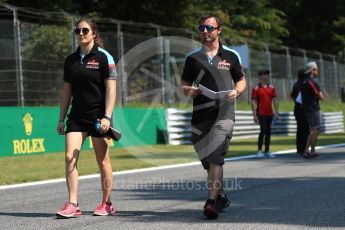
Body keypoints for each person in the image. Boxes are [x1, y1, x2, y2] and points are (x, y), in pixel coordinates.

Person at [181, 14, 246, 219]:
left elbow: (241, 81)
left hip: (224, 115)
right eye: (202, 28)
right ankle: (221, 194)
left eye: (209, 28)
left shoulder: (231, 56)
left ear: (219, 30)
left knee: (216, 156)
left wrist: (237, 91)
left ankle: (210, 202)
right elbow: (184, 84)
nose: (205, 31)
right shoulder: (192, 58)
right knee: (207, 161)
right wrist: (188, 91)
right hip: (200, 116)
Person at [56, 18, 117, 218]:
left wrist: (107, 116)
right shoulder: (70, 60)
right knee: (69, 157)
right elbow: (66, 92)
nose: (81, 33)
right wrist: (61, 118)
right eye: (77, 30)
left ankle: (106, 203)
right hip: (76, 117)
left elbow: (111, 88)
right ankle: (73, 204)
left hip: (99, 117)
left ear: (93, 33)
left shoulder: (104, 57)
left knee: (102, 161)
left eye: (85, 30)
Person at [251, 69, 279, 158]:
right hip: (260, 113)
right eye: (264, 74)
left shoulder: (272, 88)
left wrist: (276, 111)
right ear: (260, 77)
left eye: (267, 74)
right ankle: (259, 150)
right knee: (263, 131)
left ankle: (267, 151)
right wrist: (254, 114)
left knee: (268, 132)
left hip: (270, 113)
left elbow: (275, 99)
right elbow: (253, 102)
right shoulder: (256, 88)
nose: (266, 76)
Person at [301, 61, 325, 158]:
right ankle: (312, 151)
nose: (318, 71)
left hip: (307, 108)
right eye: (316, 69)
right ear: (312, 70)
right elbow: (321, 96)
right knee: (316, 129)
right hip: (314, 108)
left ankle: (306, 150)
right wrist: (322, 97)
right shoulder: (312, 82)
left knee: (312, 129)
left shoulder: (303, 81)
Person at [290, 69, 309, 155]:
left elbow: (292, 96)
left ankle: (299, 149)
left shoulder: (296, 84)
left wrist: (297, 104)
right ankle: (305, 148)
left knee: (299, 129)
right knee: (306, 129)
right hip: (304, 109)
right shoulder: (305, 83)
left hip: (297, 109)